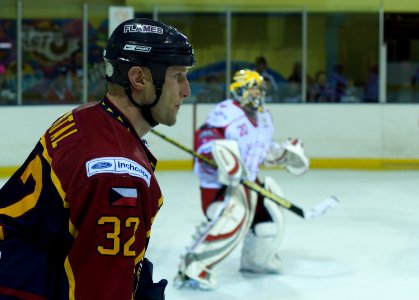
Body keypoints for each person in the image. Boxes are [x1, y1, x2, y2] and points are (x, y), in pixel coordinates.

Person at [0, 18, 194, 300]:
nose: (186, 89)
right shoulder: (118, 177)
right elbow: (102, 289)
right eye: (178, 76)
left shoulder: (87, 116)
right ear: (139, 79)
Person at [175, 69, 309, 290]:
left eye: (260, 89)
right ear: (240, 89)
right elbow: (207, 139)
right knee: (232, 216)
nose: (259, 93)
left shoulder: (265, 116)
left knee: (268, 226)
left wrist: (284, 154)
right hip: (221, 185)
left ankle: (256, 262)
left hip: (252, 183)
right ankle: (194, 265)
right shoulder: (226, 111)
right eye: (254, 88)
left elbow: (263, 148)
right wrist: (217, 155)